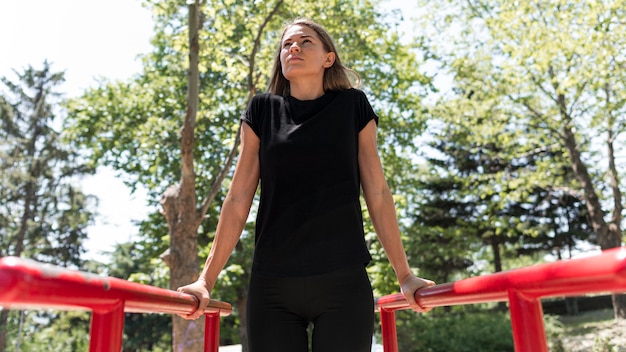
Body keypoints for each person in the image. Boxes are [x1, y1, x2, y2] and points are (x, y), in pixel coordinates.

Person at [177, 18, 435, 352]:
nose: (293, 47)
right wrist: (205, 281)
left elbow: (377, 191)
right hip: (272, 287)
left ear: (329, 58)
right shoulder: (262, 110)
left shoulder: (352, 105)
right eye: (287, 44)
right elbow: (239, 198)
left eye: (305, 41)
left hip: (343, 282)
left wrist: (405, 276)